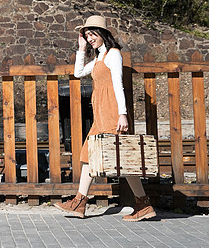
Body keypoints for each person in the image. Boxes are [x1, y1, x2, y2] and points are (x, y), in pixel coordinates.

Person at [54, 15, 156, 222]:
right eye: (88, 35)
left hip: (111, 112)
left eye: (93, 34)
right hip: (100, 114)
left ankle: (143, 204)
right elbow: (78, 73)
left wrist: (122, 114)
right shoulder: (100, 58)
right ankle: (79, 203)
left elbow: (118, 84)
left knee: (123, 159)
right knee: (88, 156)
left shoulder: (113, 55)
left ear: (103, 34)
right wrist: (81, 48)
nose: (90, 38)